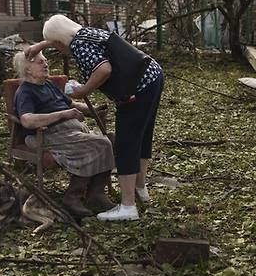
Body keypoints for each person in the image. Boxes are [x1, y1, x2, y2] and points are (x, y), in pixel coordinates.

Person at [25, 14, 164, 221]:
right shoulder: (87, 33)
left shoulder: (79, 47)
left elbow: (104, 69)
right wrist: (41, 45)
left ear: (60, 41)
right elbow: (61, 38)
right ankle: (140, 189)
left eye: (55, 46)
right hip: (152, 76)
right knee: (142, 138)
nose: (59, 52)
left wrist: (84, 90)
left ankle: (128, 207)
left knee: (126, 144)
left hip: (135, 88)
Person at [12, 50, 116, 217]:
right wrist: (63, 115)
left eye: (45, 61)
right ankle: (72, 197)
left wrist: (93, 110)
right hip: (46, 134)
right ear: (28, 69)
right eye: (40, 62)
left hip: (71, 131)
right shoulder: (26, 91)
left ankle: (96, 193)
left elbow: (70, 103)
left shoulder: (48, 84)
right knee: (100, 144)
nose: (46, 64)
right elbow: (27, 120)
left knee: (112, 139)